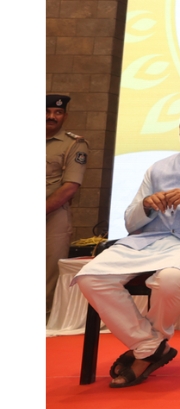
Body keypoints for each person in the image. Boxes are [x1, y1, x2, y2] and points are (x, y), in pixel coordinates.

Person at [74, 103, 180, 388]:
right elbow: (130, 222)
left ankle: (146, 351)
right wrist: (146, 205)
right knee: (90, 276)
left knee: (170, 279)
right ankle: (150, 346)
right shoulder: (158, 168)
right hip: (147, 241)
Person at [46, 93, 88, 316]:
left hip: (52, 218)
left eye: (58, 112)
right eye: (47, 112)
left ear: (65, 116)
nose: (52, 116)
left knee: (47, 273)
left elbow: (70, 186)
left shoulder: (74, 144)